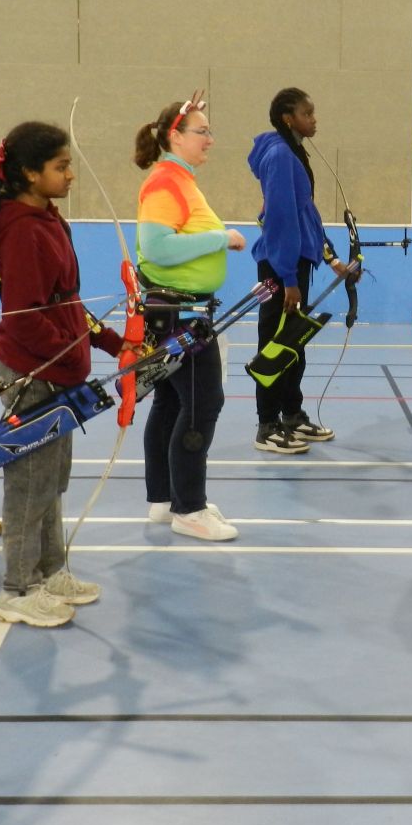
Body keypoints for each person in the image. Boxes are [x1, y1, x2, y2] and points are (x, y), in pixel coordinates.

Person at [0, 122, 121, 628]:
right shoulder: (21, 230)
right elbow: (25, 318)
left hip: (59, 371)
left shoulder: (46, 218)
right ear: (28, 173)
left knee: (52, 479)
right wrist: (67, 360)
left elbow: (66, 302)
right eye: (60, 167)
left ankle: (50, 571)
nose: (70, 175)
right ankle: (17, 588)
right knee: (29, 483)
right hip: (35, 374)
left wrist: (113, 342)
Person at [133, 96, 245, 541]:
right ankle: (190, 508)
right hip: (178, 315)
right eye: (202, 131)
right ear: (175, 137)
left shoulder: (180, 180)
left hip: (180, 312)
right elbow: (157, 248)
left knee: (171, 403)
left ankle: (166, 499)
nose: (210, 140)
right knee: (202, 404)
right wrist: (221, 238)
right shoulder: (165, 182)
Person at [247, 87, 354, 454]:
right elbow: (280, 221)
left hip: (293, 264)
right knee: (275, 345)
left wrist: (332, 258)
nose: (314, 119)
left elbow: (305, 213)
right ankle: (267, 425)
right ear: (287, 118)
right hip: (280, 267)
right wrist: (289, 279)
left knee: (294, 343)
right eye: (307, 113)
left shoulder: (294, 152)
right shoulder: (279, 155)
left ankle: (291, 415)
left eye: (313, 112)